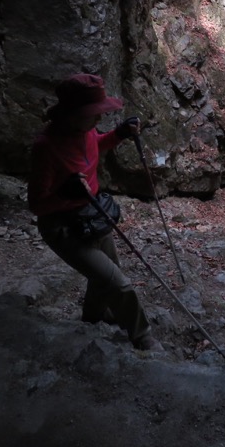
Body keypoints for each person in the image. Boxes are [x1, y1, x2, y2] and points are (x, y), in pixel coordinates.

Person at [27, 73, 162, 351]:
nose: (99, 119)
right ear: (73, 114)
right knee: (119, 283)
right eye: (94, 114)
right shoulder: (47, 146)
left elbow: (96, 145)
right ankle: (143, 337)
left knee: (107, 275)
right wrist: (65, 193)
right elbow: (37, 204)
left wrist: (119, 135)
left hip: (92, 213)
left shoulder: (85, 130)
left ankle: (93, 317)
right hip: (61, 226)